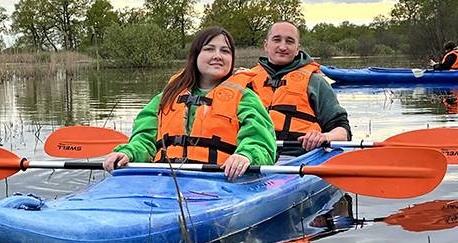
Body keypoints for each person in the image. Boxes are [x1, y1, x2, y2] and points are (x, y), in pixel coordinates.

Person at [103, 27, 277, 180]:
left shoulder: (245, 98)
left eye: (225, 51)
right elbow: (145, 138)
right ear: (195, 55)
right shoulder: (168, 96)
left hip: (220, 180)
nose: (217, 56)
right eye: (209, 49)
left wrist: (246, 155)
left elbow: (259, 140)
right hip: (166, 179)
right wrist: (129, 152)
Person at [241, 21, 351, 156]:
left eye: (289, 41)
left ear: (297, 48)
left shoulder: (315, 83)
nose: (282, 47)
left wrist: (325, 137)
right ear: (266, 45)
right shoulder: (245, 80)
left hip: (300, 157)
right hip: (250, 157)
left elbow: (343, 131)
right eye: (277, 40)